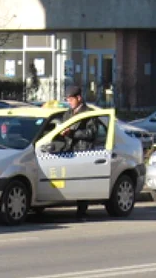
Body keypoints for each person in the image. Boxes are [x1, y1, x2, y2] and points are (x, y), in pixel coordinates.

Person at [61, 85, 97, 220]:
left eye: (71, 99)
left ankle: (82, 211)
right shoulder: (68, 113)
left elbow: (91, 132)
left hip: (83, 151)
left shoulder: (89, 113)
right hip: (68, 150)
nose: (69, 102)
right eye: (68, 100)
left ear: (79, 98)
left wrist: (73, 133)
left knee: (82, 182)